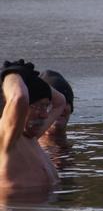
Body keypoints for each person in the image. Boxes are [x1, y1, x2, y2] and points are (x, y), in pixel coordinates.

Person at [0, 60, 66, 190]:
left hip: (44, 206)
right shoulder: (7, 139)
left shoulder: (31, 136)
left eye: (46, 106)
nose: (45, 115)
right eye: (39, 106)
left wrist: (30, 79)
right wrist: (11, 73)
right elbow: (19, 97)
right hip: (15, 210)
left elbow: (60, 102)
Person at [38, 70, 75, 148]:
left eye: (65, 102)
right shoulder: (26, 148)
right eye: (49, 103)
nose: (59, 108)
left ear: (71, 108)